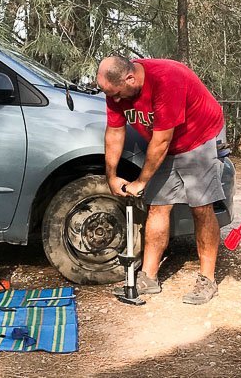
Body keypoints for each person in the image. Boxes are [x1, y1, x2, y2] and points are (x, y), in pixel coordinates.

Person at [97, 56, 225, 305]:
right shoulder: (115, 88)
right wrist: (111, 176)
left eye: (117, 94)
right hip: (164, 143)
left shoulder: (167, 79)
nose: (114, 100)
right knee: (157, 205)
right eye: (110, 95)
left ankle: (207, 279)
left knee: (201, 207)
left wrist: (141, 181)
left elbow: (162, 141)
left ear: (130, 78)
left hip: (198, 138)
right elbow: (114, 131)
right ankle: (148, 277)